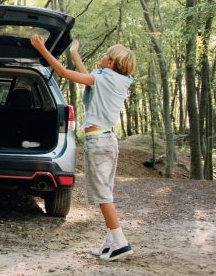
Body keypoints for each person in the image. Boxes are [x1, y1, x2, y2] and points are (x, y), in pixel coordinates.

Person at [30, 35, 136, 261]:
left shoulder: (106, 80)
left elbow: (65, 74)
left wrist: (42, 49)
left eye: (107, 54)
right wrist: (75, 54)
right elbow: (87, 76)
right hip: (106, 141)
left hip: (99, 143)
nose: (104, 55)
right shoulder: (113, 79)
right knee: (103, 192)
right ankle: (110, 241)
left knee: (103, 195)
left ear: (111, 63)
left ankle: (120, 242)